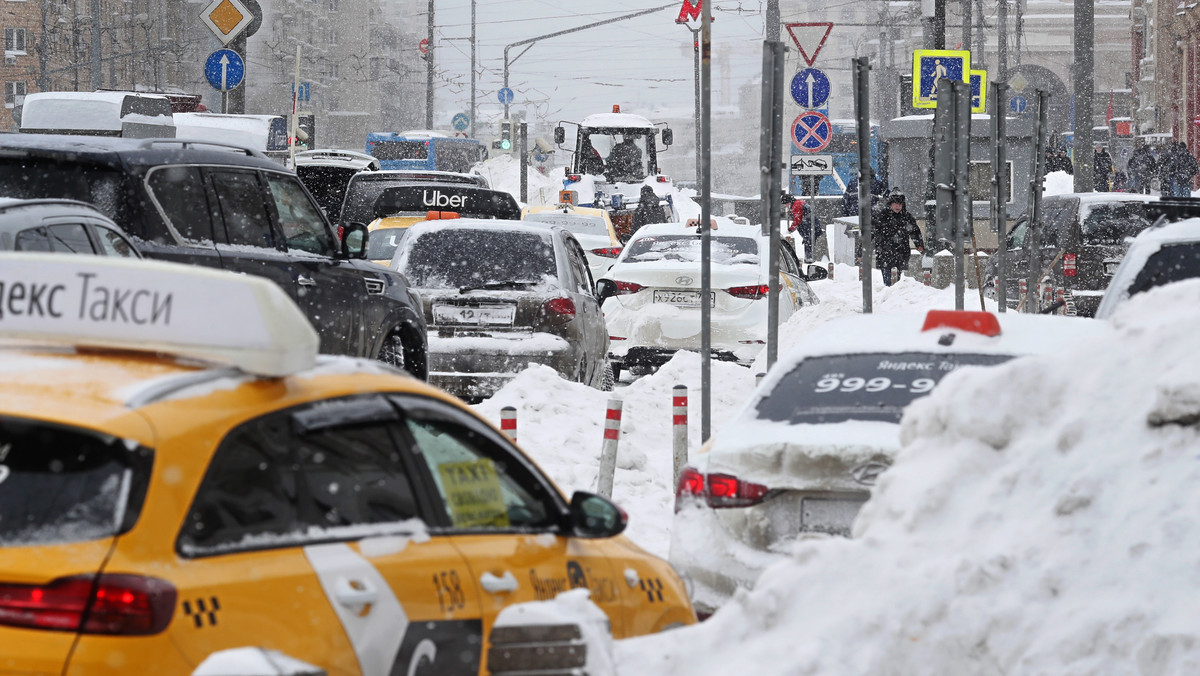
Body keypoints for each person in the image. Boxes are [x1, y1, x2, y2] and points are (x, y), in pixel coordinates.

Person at [872, 189, 924, 287]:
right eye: (896, 204)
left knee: (897, 280)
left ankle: (893, 296)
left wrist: (919, 244)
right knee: (888, 280)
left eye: (900, 204)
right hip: (885, 252)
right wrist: (861, 249)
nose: (898, 206)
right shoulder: (882, 216)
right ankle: (890, 296)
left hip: (900, 252)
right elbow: (871, 232)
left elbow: (915, 231)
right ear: (890, 204)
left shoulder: (906, 217)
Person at [788, 193, 817, 261]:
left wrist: (791, 229)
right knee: (809, 240)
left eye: (786, 204)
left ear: (789, 202)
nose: (786, 206)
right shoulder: (799, 202)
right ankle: (809, 257)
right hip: (812, 223)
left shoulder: (796, 205)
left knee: (808, 241)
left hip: (808, 224)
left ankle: (809, 258)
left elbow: (797, 220)